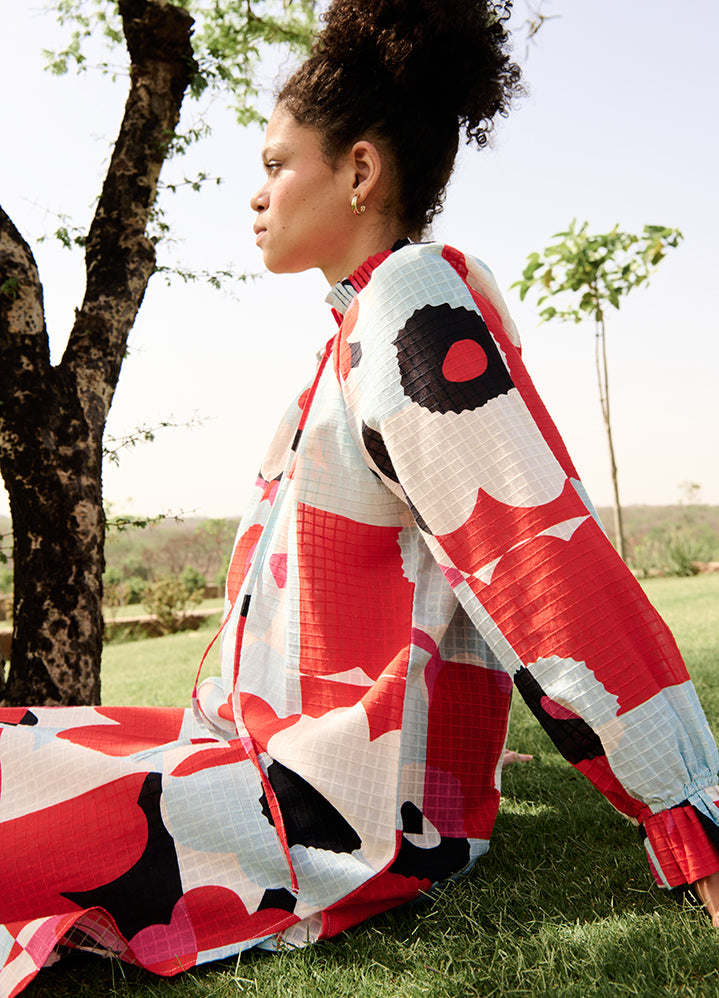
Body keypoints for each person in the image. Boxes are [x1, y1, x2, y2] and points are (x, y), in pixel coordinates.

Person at [1, 1, 718, 994]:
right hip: (258, 756)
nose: (255, 195)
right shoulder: (362, 325)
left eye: (273, 163)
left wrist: (684, 798)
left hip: (334, 807)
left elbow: (534, 553)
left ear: (359, 170)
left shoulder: (410, 301)